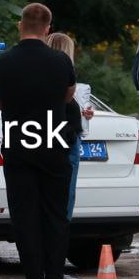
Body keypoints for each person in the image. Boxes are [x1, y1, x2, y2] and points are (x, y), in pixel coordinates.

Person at [0, 3, 77, 279]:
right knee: (55, 213)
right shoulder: (61, 62)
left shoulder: (1, 63)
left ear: (20, 25)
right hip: (53, 143)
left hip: (18, 145)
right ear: (48, 28)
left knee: (24, 214)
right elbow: (68, 97)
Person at [46, 33, 93, 221]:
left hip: (44, 137)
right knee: (67, 193)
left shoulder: (41, 77)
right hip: (69, 138)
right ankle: (61, 229)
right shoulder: (68, 78)